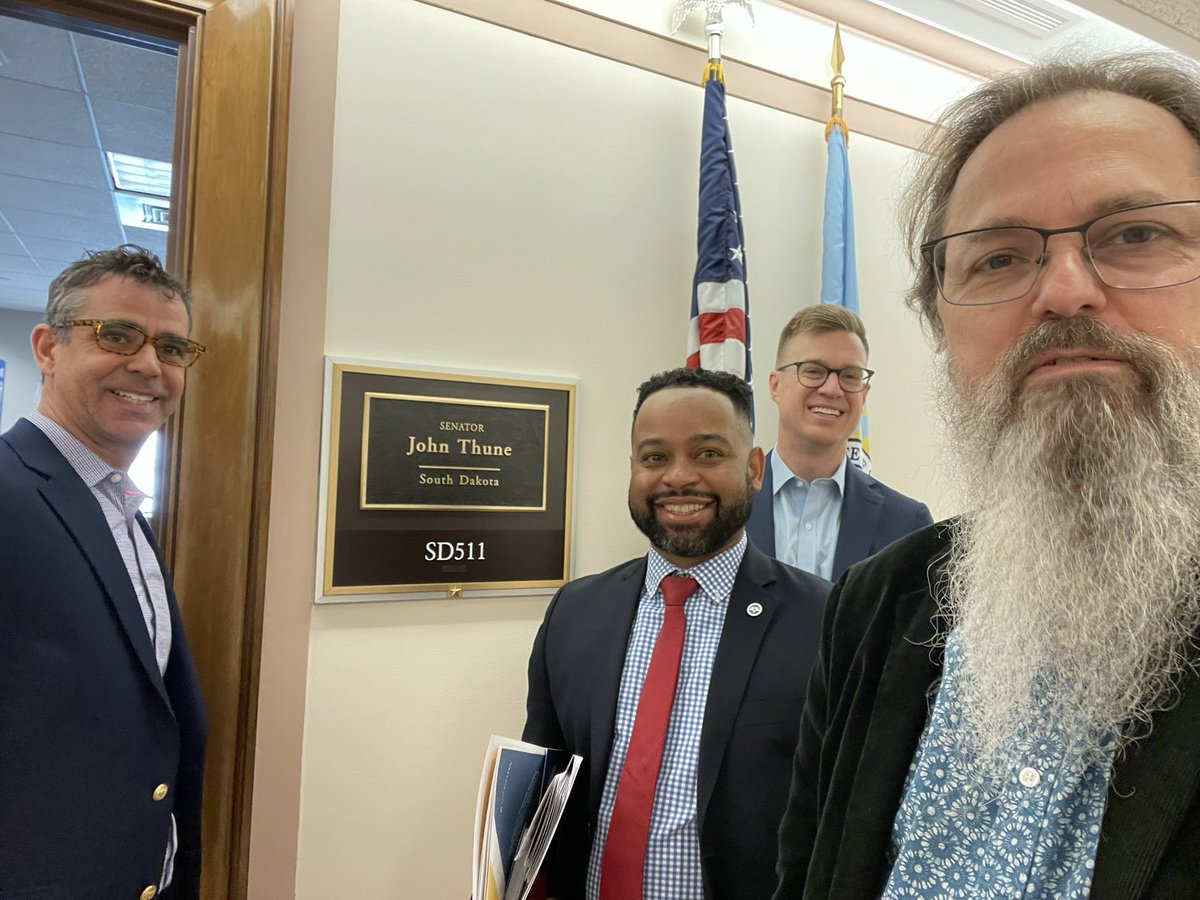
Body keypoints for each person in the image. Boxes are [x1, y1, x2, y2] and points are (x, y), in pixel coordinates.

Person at [773, 52, 1200, 899]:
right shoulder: (876, 603)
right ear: (941, 330)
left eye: (1136, 234)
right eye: (999, 259)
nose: (1065, 290)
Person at [523, 367, 829, 900]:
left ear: (755, 468)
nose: (678, 478)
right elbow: (543, 792)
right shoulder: (575, 611)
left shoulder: (825, 619)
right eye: (655, 457)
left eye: (708, 453)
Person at [0, 245, 208, 899]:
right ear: (48, 347)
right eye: (117, 334)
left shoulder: (122, 509)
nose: (148, 365)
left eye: (172, 348)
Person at [746, 304, 931, 581]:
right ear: (776, 386)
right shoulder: (725, 506)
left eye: (850, 376)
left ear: (864, 394)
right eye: (812, 371)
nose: (832, 389)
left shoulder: (906, 524)